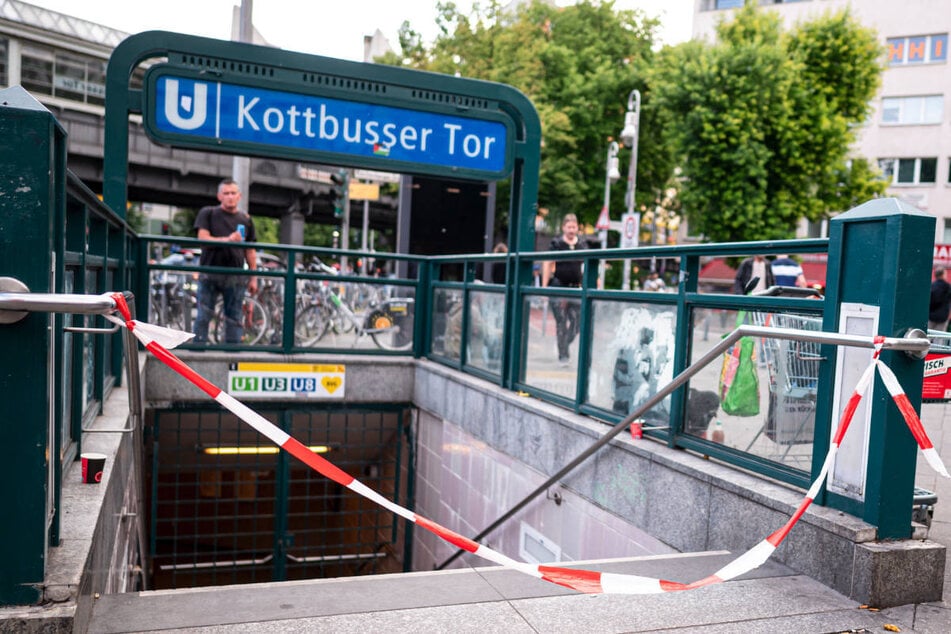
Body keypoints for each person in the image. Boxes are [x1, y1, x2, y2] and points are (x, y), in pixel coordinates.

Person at [192, 178, 258, 344]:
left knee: (234, 318)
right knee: (203, 315)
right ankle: (197, 352)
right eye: (226, 193)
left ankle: (232, 358)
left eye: (233, 193)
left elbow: (250, 250)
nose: (230, 196)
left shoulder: (245, 219)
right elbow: (203, 238)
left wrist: (253, 276)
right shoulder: (208, 213)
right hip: (210, 272)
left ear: (239, 196)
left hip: (235, 274)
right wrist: (229, 239)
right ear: (219, 196)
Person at [542, 213, 592, 363]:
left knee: (577, 323)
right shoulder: (556, 243)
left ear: (577, 227)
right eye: (569, 227)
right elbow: (548, 263)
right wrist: (544, 288)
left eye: (574, 227)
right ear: (564, 227)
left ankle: (563, 344)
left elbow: (588, 264)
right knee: (561, 321)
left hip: (576, 288)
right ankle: (563, 355)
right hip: (558, 287)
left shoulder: (582, 244)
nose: (571, 230)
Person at [929, 267, 951, 332]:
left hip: (931, 316)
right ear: (943, 275)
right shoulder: (948, 287)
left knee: (927, 336)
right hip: (943, 317)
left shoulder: (931, 286)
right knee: (939, 339)